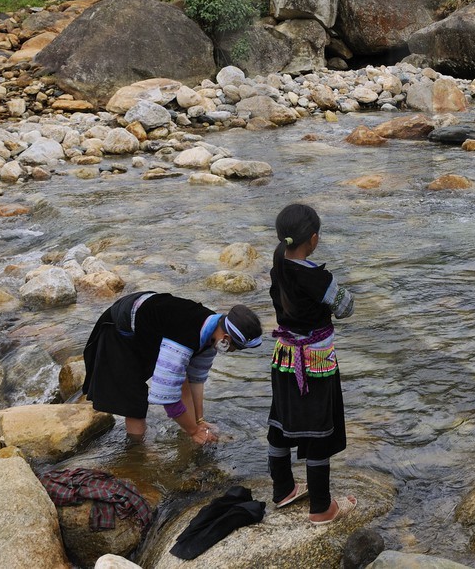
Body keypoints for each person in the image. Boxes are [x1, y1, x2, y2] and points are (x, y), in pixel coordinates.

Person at [265, 203, 357, 524]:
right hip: (314, 362)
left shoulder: (277, 269)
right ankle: (321, 507)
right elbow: (346, 307)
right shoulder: (319, 277)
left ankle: (283, 489)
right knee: (318, 430)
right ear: (313, 239)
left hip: (284, 357)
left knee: (281, 420)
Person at [83, 292, 261, 446]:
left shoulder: (212, 331)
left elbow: (195, 379)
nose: (231, 351)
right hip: (120, 329)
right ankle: (136, 452)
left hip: (152, 324)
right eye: (234, 347)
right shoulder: (184, 337)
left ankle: (185, 428)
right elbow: (167, 397)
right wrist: (193, 432)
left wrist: (199, 421)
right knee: (135, 404)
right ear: (226, 338)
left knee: (179, 375)